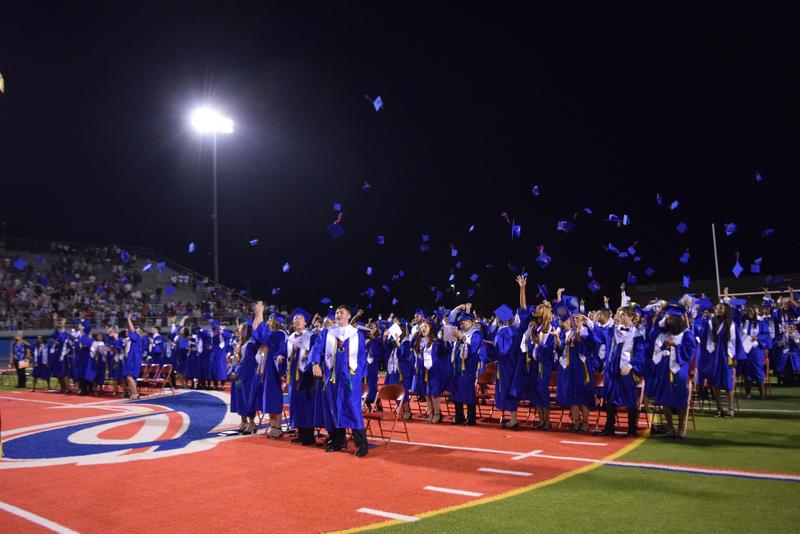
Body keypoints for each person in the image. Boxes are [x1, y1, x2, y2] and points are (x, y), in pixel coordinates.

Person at [309, 304, 369, 457]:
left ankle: (361, 445)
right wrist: (315, 363)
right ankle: (338, 441)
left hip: (350, 378)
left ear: (349, 316)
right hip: (332, 377)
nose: (338, 314)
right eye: (336, 312)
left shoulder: (356, 334)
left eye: (341, 312)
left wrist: (357, 376)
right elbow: (317, 349)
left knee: (353, 408)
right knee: (332, 408)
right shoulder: (327, 333)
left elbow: (362, 357)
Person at [651, 305, 698, 438]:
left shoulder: (687, 334)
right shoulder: (665, 333)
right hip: (665, 369)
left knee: (680, 399)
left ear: (678, 320)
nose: (668, 321)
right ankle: (670, 427)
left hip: (679, 369)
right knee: (665, 400)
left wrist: (674, 346)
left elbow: (689, 352)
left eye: (671, 319)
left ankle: (681, 428)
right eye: (668, 319)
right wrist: (660, 317)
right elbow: (653, 336)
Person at [597, 306, 645, 436]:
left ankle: (631, 429)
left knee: (630, 399)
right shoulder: (614, 331)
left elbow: (640, 353)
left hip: (626, 370)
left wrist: (630, 365)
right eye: (620, 315)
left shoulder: (637, 334)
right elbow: (600, 334)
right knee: (610, 398)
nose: (620, 317)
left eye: (623, 315)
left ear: (630, 317)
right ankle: (609, 428)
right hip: (613, 370)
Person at [252, 304, 288, 439]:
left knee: (274, 399)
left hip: (274, 370)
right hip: (268, 369)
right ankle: (273, 426)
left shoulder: (280, 334)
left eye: (271, 320)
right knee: (268, 399)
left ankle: (278, 427)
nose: (268, 322)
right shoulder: (274, 334)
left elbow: (263, 335)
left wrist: (259, 314)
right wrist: (257, 315)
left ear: (277, 322)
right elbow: (258, 334)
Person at [448, 305, 483, 426]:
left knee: (468, 391)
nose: (461, 325)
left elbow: (473, 348)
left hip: (469, 367)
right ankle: (459, 416)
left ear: (470, 322)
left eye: (463, 323)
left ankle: (471, 418)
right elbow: (451, 320)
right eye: (460, 323)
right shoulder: (461, 332)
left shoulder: (476, 333)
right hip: (457, 366)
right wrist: (457, 308)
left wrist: (462, 338)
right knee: (456, 390)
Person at [286, 309, 317, 445]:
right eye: (295, 319)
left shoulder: (311, 336)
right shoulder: (291, 337)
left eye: (300, 319)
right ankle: (300, 432)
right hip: (293, 375)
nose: (297, 321)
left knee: (306, 404)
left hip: (306, 374)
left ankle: (309, 436)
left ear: (305, 322)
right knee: (296, 404)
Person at [409, 319, 450, 423]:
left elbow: (446, 351)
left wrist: (445, 339)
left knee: (434, 393)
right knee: (426, 393)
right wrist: (417, 332)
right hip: (423, 370)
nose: (423, 328)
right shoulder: (420, 341)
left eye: (426, 326)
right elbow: (411, 344)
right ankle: (431, 413)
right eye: (422, 326)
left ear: (431, 328)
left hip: (434, 371)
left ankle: (438, 414)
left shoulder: (436, 342)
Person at [122, 314, 143, 400]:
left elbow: (132, 330)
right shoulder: (134, 339)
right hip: (132, 359)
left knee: (129, 376)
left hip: (134, 359)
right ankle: (133, 393)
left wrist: (129, 319)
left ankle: (135, 394)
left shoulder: (136, 337)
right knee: (129, 377)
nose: (127, 331)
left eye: (128, 330)